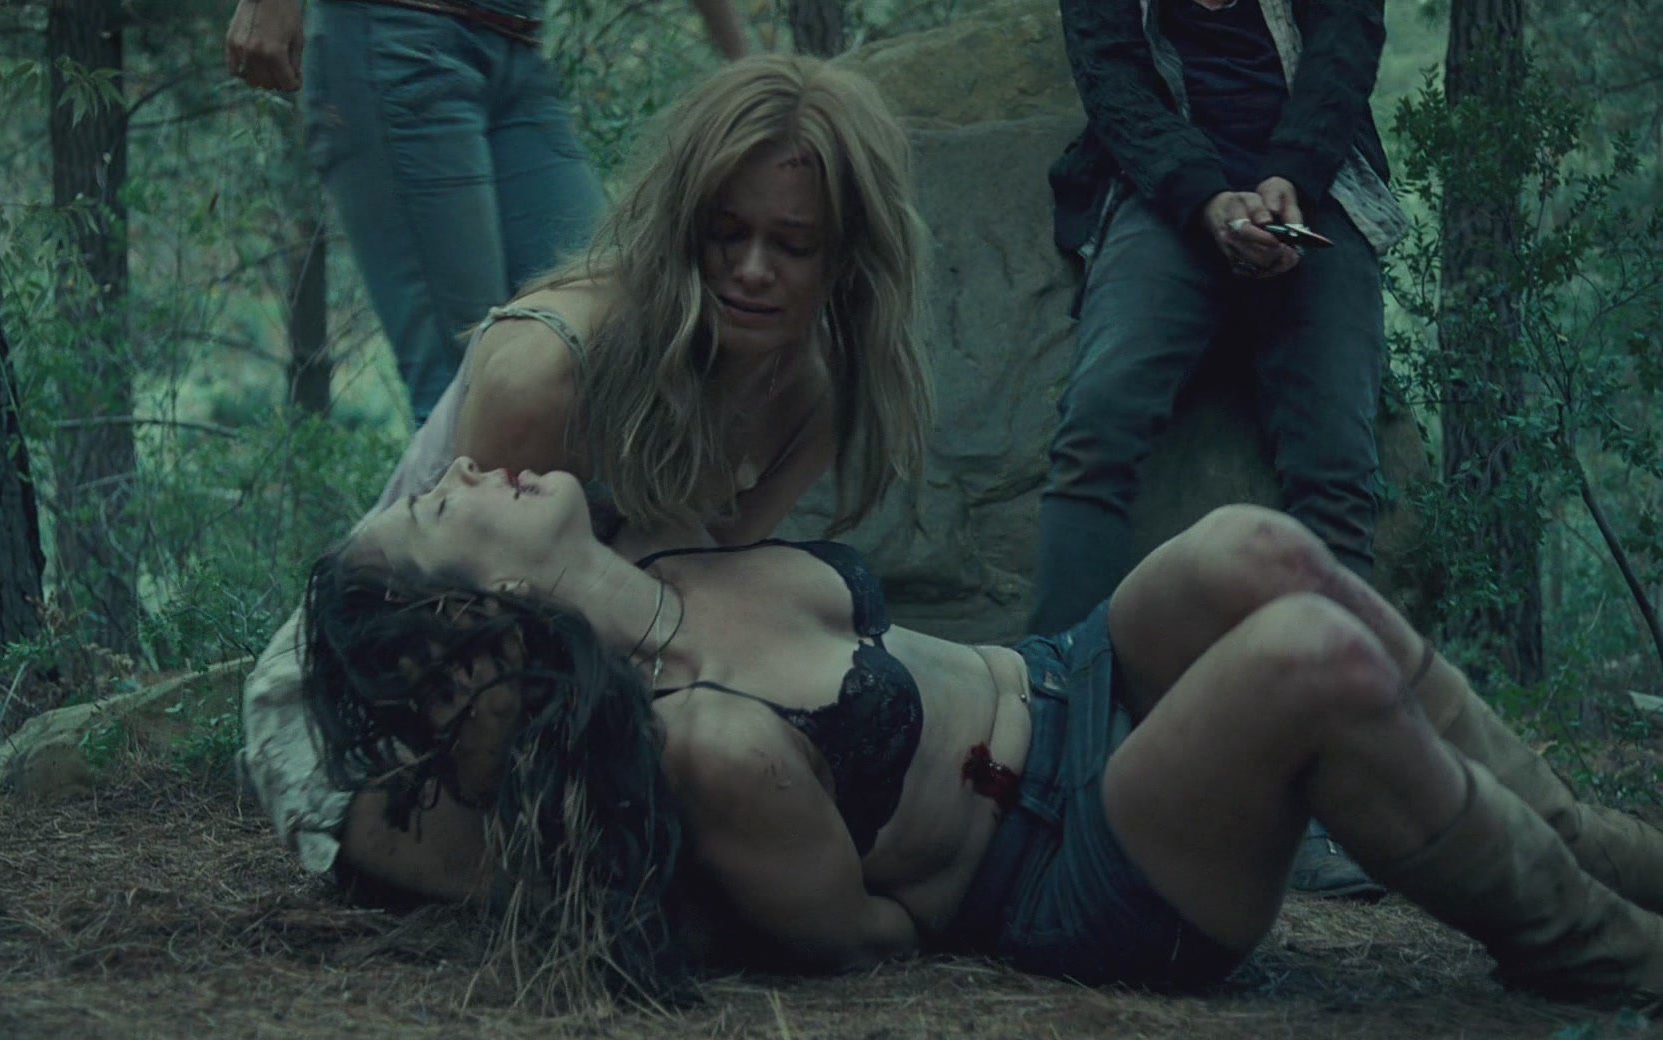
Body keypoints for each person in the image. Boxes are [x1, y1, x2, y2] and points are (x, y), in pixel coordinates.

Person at [302, 457, 1663, 1006]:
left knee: (1256, 546)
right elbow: (872, 936)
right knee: (1308, 658)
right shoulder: (706, 746)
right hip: (1070, 859)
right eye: (432, 507)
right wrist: (951, 840)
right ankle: (1602, 949)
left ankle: (1593, 844)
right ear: (480, 615)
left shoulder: (663, 548)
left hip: (1065, 677)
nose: (459, 466)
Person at [238, 54, 935, 882]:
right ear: (684, 221)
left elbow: (712, 601)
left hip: (611, 682)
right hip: (404, 693)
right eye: (726, 232)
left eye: (792, 244)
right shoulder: (547, 374)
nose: (752, 270)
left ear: (845, 258)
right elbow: (469, 655)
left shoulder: (812, 397)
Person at [1030, 0, 1412, 896]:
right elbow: (1112, 78)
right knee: (1097, 425)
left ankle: (1325, 800)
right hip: (1166, 197)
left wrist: (1290, 177)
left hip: (1312, 194)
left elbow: (1346, 43)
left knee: (1336, 471)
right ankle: (1047, 760)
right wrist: (1204, 196)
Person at [225, 0, 751, 422]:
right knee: (466, 388)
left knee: (612, 349)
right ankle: (456, 526)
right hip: (396, 37)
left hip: (517, 52)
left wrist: (753, 74)